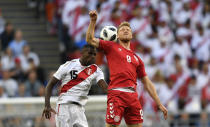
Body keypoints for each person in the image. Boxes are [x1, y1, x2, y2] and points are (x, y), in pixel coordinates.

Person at [86, 10, 168, 127]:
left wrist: (159, 103)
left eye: (128, 29)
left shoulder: (137, 59)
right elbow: (90, 39)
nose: (125, 30)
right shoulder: (111, 46)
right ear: (117, 35)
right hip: (116, 94)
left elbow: (147, 83)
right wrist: (93, 21)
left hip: (133, 97)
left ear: (131, 35)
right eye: (122, 29)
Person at [42, 44, 108, 127]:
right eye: (90, 53)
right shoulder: (68, 65)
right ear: (82, 52)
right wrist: (47, 105)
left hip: (79, 108)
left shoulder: (96, 70)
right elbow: (50, 84)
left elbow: (104, 87)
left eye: (94, 54)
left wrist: (116, 94)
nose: (92, 56)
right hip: (64, 106)